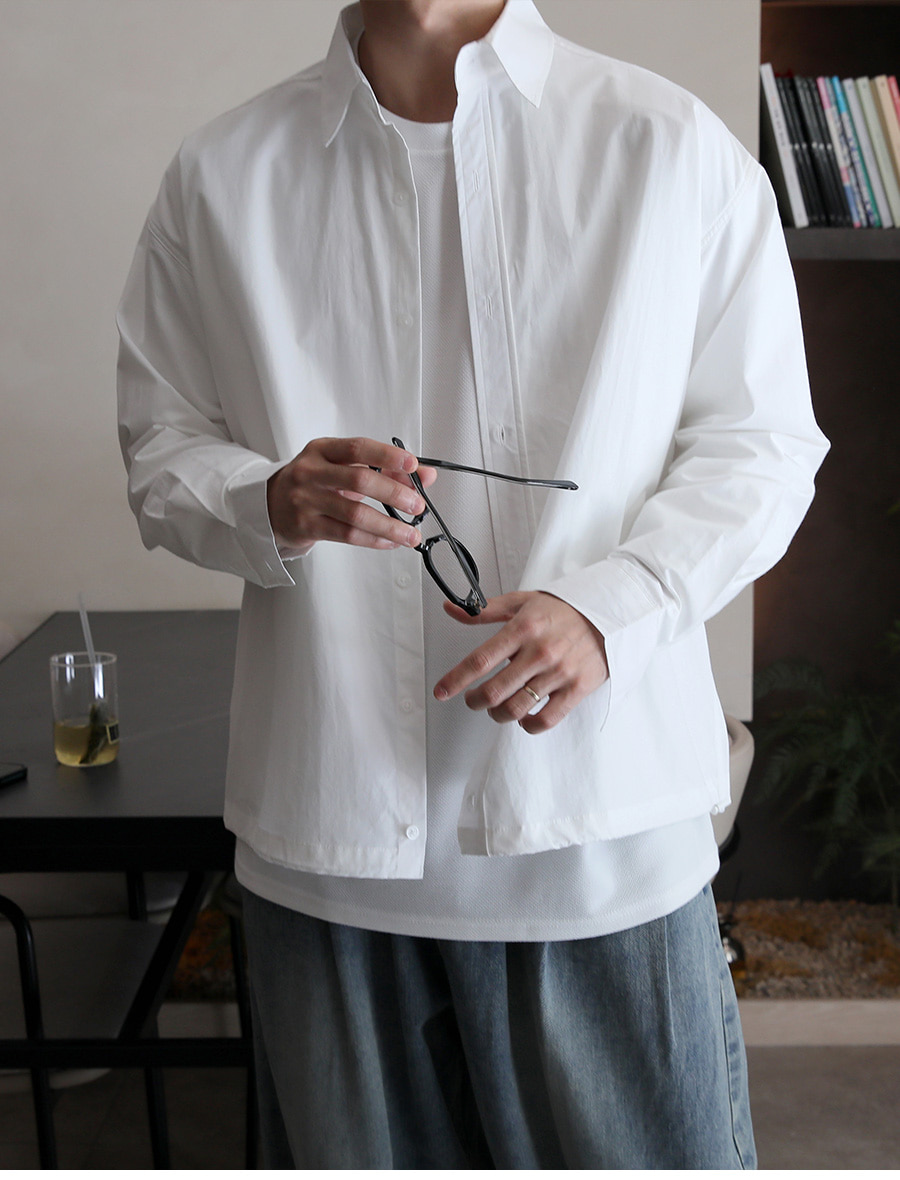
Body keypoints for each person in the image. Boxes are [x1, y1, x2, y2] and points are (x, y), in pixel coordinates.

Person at [117, 0, 829, 1167]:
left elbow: (763, 447)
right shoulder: (224, 173)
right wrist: (268, 496)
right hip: (328, 847)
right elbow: (161, 450)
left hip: (600, 839)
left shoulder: (665, 144)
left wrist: (614, 606)